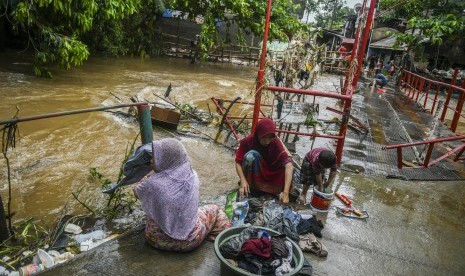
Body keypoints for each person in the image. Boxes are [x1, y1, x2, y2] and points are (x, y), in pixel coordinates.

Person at [127, 138, 230, 252]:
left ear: (167, 159)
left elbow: (137, 192)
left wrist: (152, 173)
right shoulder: (193, 176)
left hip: (154, 239)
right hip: (188, 242)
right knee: (215, 209)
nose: (152, 160)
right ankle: (221, 239)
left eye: (156, 157)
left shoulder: (152, 183)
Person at [235, 118, 293, 203]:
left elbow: (289, 165)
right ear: (258, 134)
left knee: (288, 166)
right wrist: (243, 180)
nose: (267, 141)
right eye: (264, 137)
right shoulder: (247, 141)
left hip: (270, 171)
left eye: (270, 137)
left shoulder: (275, 142)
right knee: (251, 156)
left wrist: (286, 192)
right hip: (257, 170)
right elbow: (238, 162)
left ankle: (271, 190)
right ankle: (251, 186)